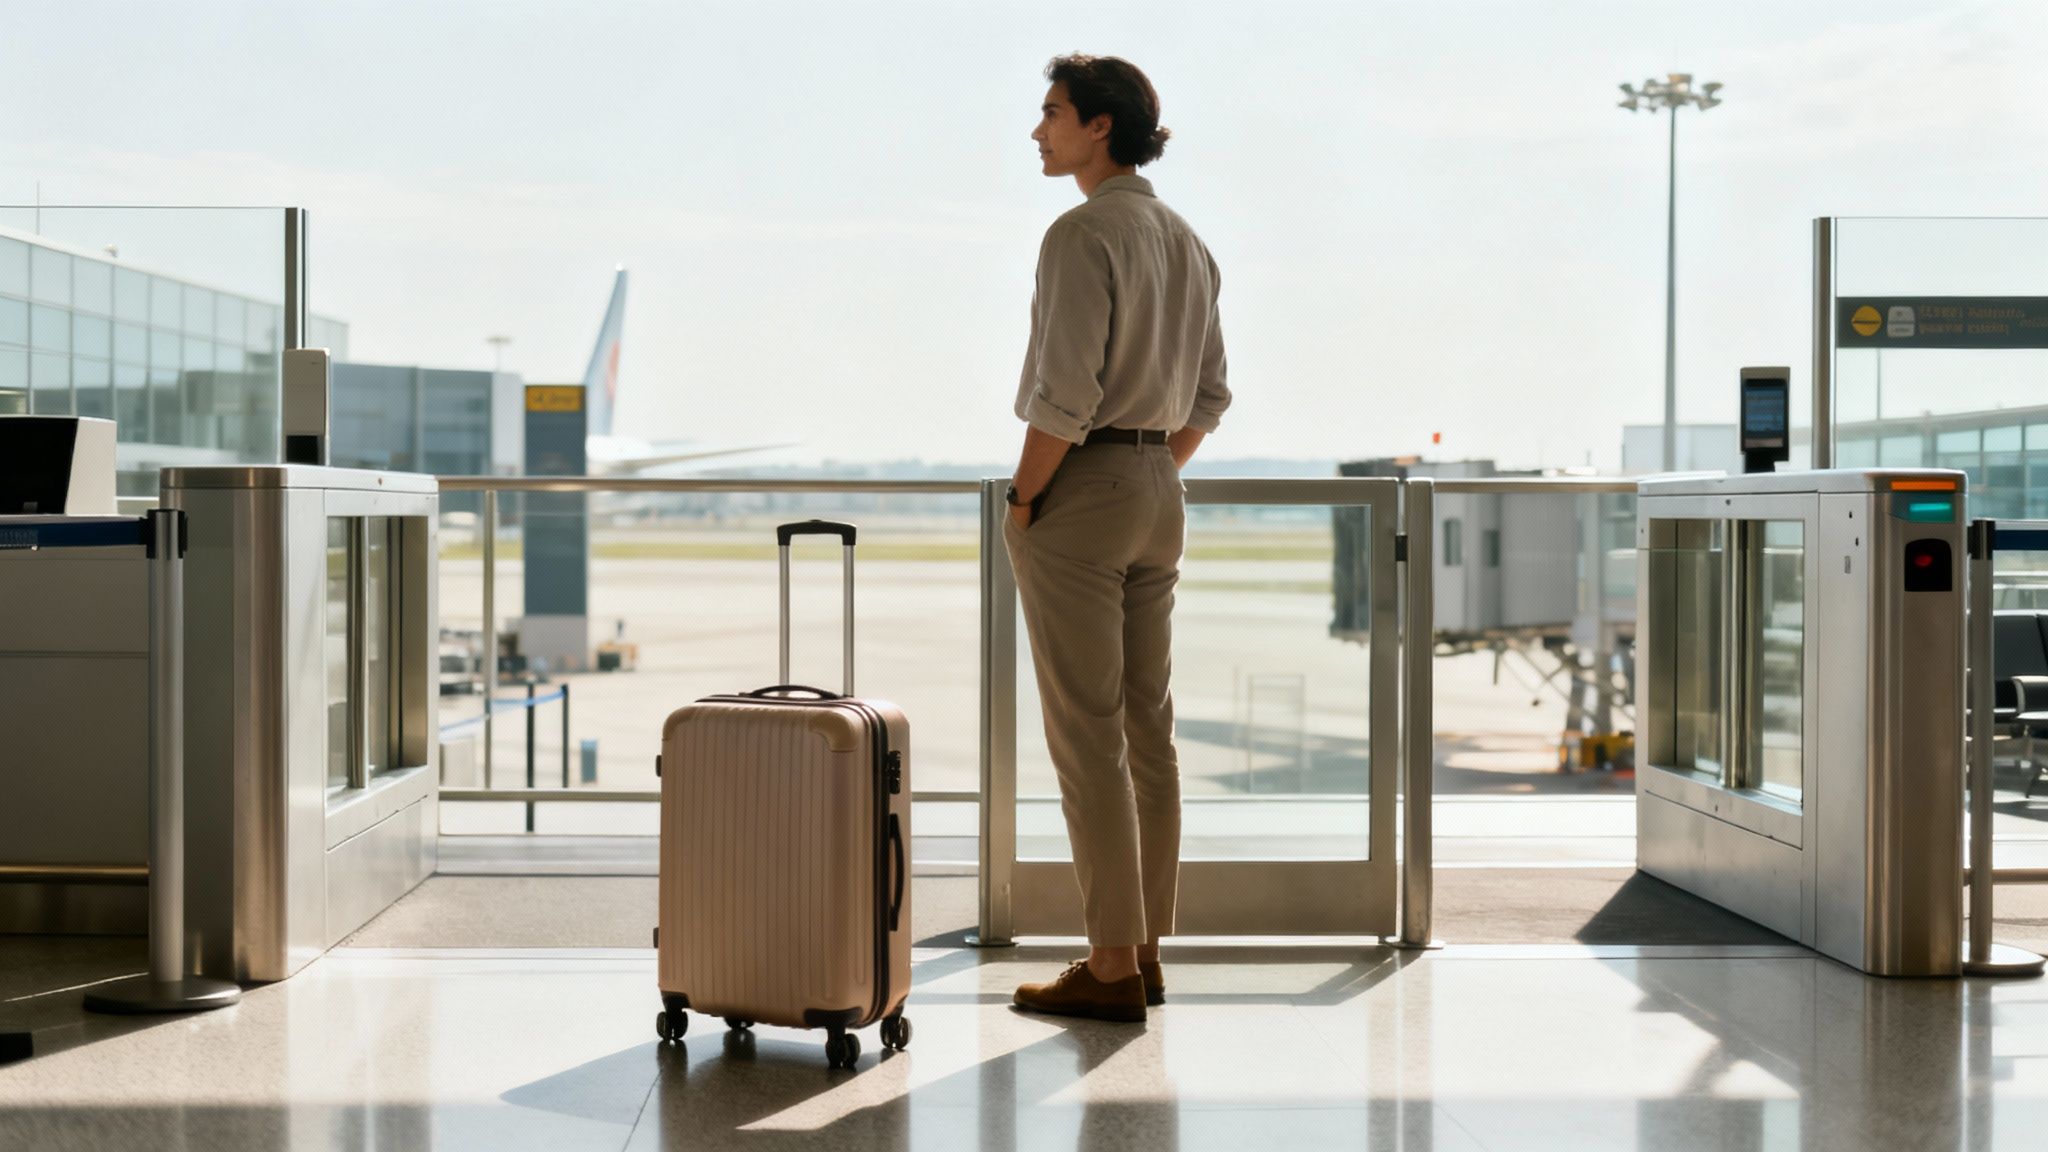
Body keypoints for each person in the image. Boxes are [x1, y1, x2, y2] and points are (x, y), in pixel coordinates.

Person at [1004, 53, 1230, 1023]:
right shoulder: (1185, 241)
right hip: (1157, 488)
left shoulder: (1081, 233)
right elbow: (1210, 397)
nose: (1037, 130)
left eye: (1051, 113)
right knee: (1147, 729)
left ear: (1100, 126)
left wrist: (1023, 501)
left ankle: (1105, 965)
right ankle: (1142, 949)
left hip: (1086, 488)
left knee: (1085, 735)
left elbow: (1064, 396)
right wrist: (1150, 467)